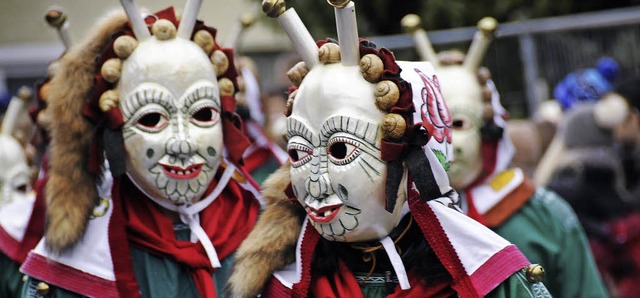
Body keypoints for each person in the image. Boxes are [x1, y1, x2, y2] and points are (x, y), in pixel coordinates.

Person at [227, 1, 551, 297]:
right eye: (299, 153)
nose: (316, 180)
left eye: (341, 149)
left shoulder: (493, 284)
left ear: (415, 160)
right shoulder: (281, 288)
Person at [19, 4, 261, 297]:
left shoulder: (263, 230)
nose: (182, 143)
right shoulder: (72, 265)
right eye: (152, 118)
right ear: (114, 129)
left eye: (201, 114)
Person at [401, 13, 608, 298]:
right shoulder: (394, 225)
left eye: (459, 123)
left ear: (490, 128)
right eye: (431, 126)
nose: (446, 141)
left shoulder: (543, 215)